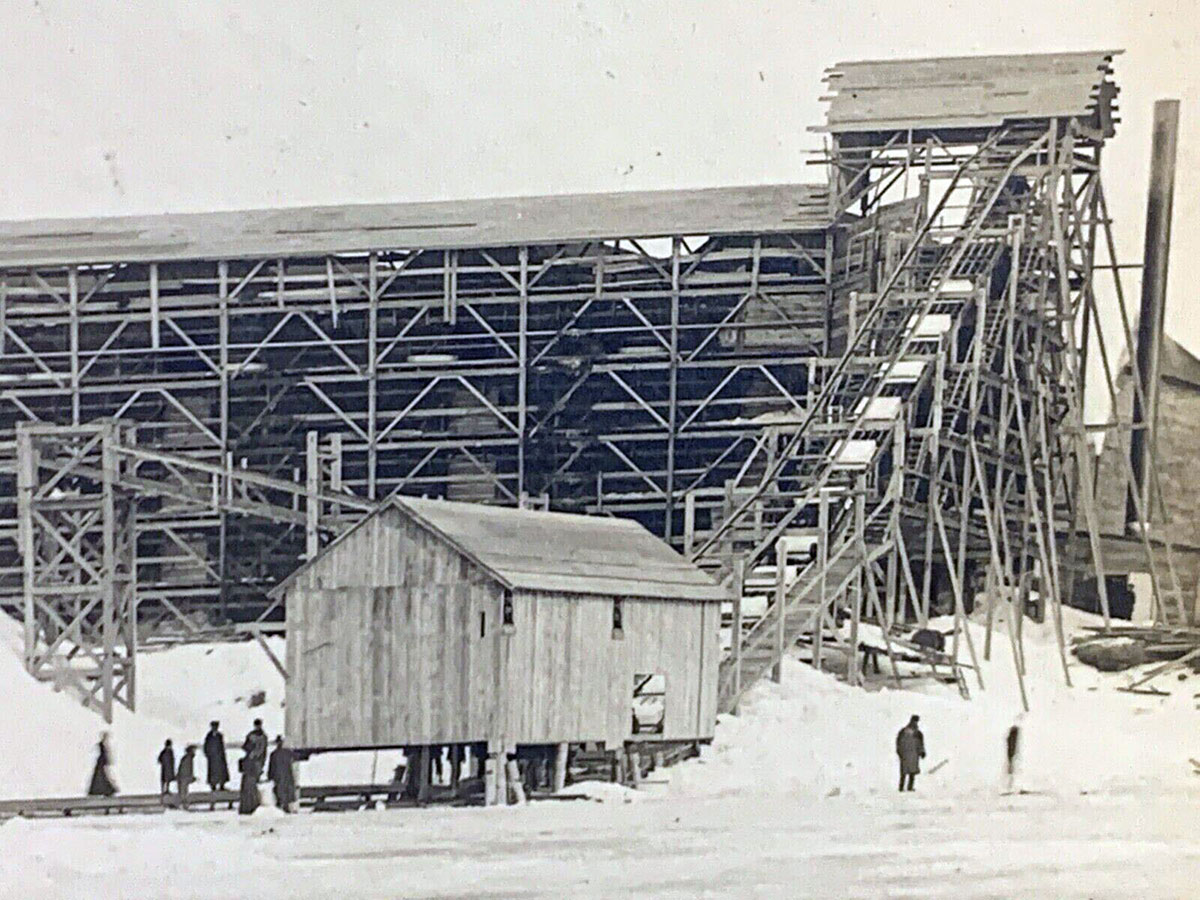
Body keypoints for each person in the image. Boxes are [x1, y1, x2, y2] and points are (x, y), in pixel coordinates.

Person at [895, 715, 926, 792]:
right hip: (910, 754)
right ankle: (906, 787)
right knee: (909, 771)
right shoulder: (916, 733)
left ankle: (904, 787)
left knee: (906, 771)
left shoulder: (905, 731)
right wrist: (922, 752)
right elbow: (920, 744)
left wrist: (899, 752)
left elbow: (898, 742)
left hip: (908, 754)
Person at [267, 736, 297, 812]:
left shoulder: (275, 754)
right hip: (285, 775)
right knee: (285, 791)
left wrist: (270, 776)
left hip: (280, 776)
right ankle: (285, 806)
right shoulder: (287, 752)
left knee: (281, 791)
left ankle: (283, 806)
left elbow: (271, 767)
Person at [87, 732, 117, 797]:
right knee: (102, 776)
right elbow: (105, 754)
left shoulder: (102, 744)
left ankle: (103, 790)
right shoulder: (102, 745)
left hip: (101, 763)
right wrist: (108, 761)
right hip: (101, 763)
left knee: (102, 776)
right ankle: (104, 790)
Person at [203, 721, 230, 791]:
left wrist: (222, 755)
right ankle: (213, 786)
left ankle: (222, 785)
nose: (215, 728)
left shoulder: (219, 735)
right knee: (213, 772)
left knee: (221, 772)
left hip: (219, 757)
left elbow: (222, 746)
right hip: (212, 758)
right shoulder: (209, 736)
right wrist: (208, 754)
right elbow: (206, 746)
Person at [177, 745, 197, 809]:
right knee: (183, 792)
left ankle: (184, 804)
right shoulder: (188, 758)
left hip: (183, 777)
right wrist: (190, 777)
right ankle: (184, 804)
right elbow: (186, 769)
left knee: (183, 791)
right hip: (184, 777)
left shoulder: (188, 758)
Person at [1005, 717, 1022, 792]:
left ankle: (1010, 785)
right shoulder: (1014, 733)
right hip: (1012, 752)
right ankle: (1010, 785)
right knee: (1012, 765)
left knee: (1011, 765)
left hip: (1012, 752)